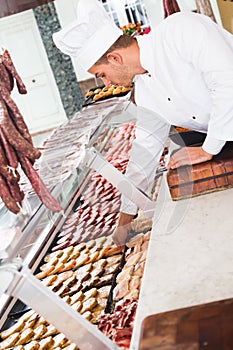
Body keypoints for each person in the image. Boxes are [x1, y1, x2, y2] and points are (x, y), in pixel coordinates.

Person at [53, 0, 233, 246]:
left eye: (102, 75)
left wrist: (207, 149)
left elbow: (228, 83)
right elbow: (144, 152)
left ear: (115, 58)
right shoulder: (146, 89)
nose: (107, 84)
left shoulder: (181, 30)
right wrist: (125, 220)